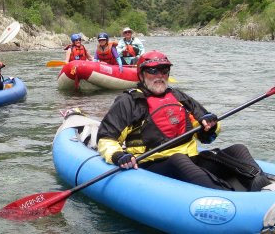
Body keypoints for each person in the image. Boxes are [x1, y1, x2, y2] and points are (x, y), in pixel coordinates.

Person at [97, 50, 272, 191]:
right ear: (142, 75)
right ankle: (228, 198)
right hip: (153, 164)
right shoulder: (129, 101)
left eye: (164, 70)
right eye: (153, 70)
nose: (160, 75)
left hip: (192, 159)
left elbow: (207, 133)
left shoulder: (179, 97)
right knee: (178, 159)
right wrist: (119, 155)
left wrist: (210, 126)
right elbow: (106, 138)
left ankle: (263, 186)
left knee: (238, 149)